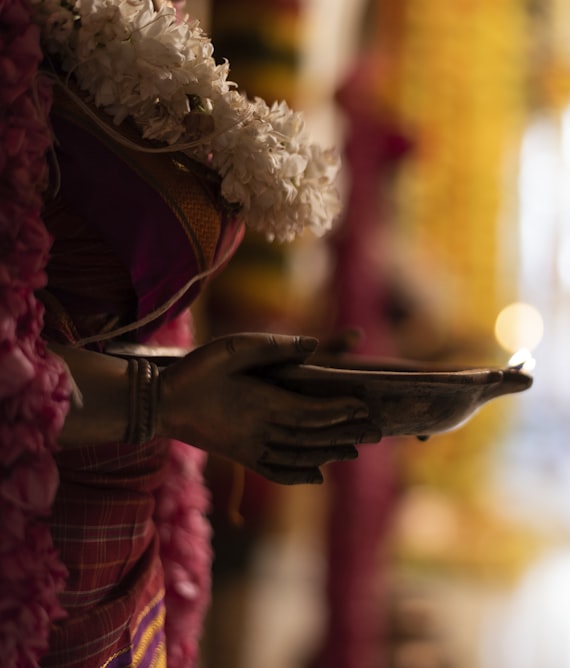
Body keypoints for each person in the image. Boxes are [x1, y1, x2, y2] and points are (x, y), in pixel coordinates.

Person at [1, 0, 380, 665]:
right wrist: (164, 397)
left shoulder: (166, 19)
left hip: (122, 552)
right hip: (25, 549)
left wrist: (215, 382)